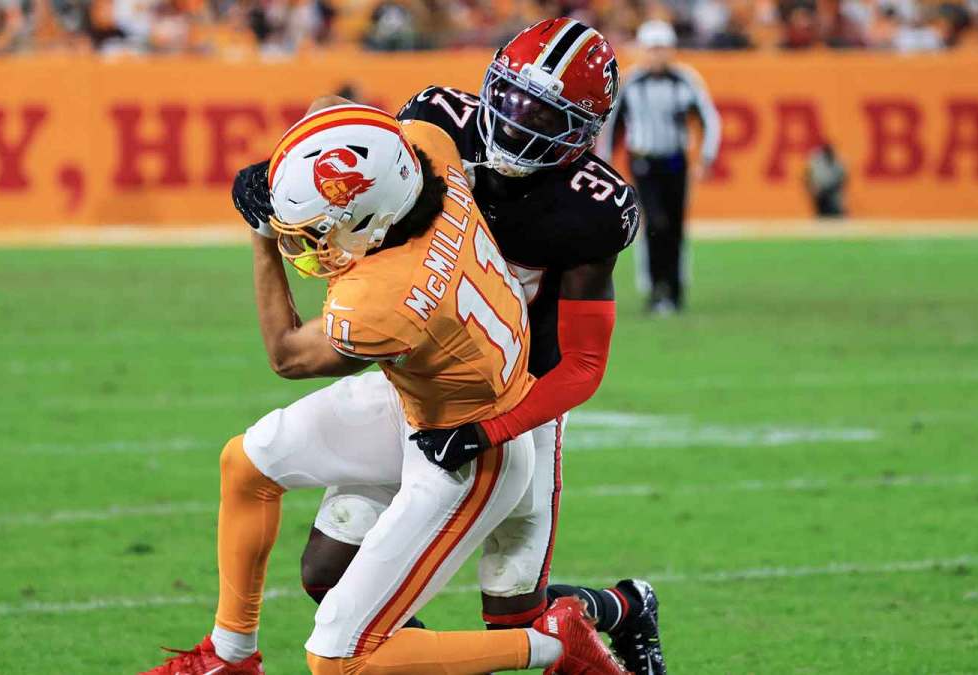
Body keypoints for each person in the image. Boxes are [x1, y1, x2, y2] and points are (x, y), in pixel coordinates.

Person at [236, 18, 666, 675]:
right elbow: (338, 136)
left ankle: (621, 607)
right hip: (419, 371)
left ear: (581, 136)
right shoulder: (437, 121)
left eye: (543, 119)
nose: (518, 126)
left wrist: (488, 430)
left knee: (512, 614)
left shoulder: (591, 209)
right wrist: (283, 189)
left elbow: (581, 364)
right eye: (511, 101)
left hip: (518, 391)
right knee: (328, 571)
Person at [139, 102, 627, 675]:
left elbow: (287, 355)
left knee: (338, 659)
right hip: (428, 391)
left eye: (320, 230)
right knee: (247, 462)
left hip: (466, 448)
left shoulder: (383, 296)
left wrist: (262, 237)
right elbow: (366, 146)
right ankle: (229, 657)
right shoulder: (432, 154)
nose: (312, 242)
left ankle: (557, 644)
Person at [597, 19, 720, 315]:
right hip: (644, 162)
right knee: (656, 223)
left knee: (675, 226)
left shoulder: (686, 80)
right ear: (642, 51)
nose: (657, 55)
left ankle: (675, 291)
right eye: (652, 49)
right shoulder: (630, 83)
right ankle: (656, 289)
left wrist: (705, 157)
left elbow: (709, 119)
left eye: (662, 49)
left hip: (676, 160)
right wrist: (607, 167)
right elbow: (611, 128)